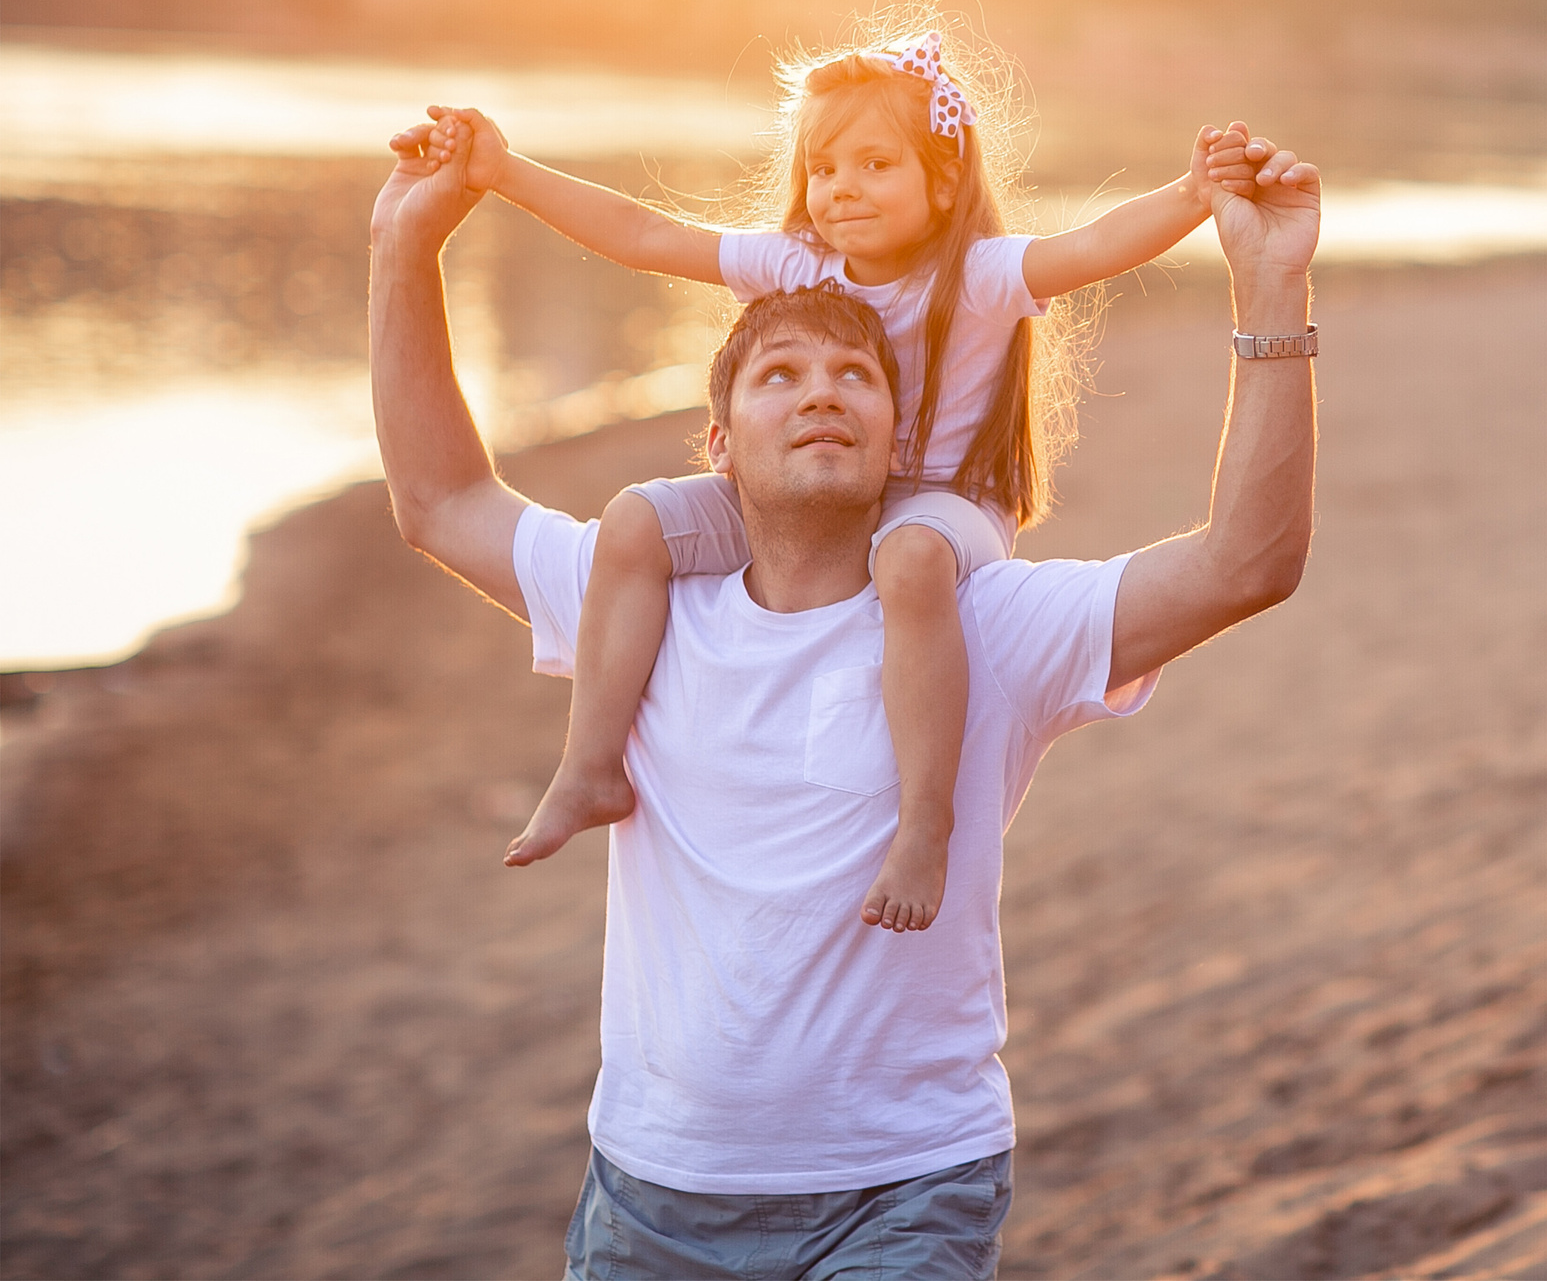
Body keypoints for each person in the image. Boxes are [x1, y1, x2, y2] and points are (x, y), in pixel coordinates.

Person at [368, 113, 1318, 1279]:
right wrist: (405, 246)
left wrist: (1272, 287)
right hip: (652, 1195)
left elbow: (1246, 564)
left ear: (895, 437)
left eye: (854, 376)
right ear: (718, 444)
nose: (821, 392)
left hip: (905, 1190)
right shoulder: (640, 601)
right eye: (780, 376)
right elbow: (439, 499)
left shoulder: (977, 622)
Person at [404, 18, 1223, 934]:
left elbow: (1095, 245)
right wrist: (503, 172)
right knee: (635, 519)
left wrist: (1194, 193)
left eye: (875, 164)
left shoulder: (978, 274)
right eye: (824, 167)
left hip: (946, 505)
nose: (843, 188)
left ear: (942, 179)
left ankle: (926, 820)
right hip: (821, 488)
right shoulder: (798, 263)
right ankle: (590, 766)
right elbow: (643, 234)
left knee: (908, 560)